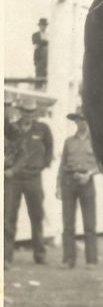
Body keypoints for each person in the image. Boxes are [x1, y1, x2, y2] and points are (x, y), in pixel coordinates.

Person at [4, 99, 53, 267]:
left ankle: (39, 254)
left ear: (35, 113)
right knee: (9, 216)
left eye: (31, 111)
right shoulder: (12, 128)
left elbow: (49, 149)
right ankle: (6, 257)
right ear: (20, 111)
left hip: (33, 178)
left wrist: (41, 165)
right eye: (25, 111)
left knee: (37, 215)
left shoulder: (43, 129)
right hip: (14, 178)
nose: (28, 114)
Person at [56, 107, 99, 268]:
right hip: (68, 181)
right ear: (75, 121)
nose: (82, 123)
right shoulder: (69, 141)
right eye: (79, 119)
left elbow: (101, 165)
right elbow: (62, 164)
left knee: (89, 223)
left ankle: (91, 260)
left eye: (85, 119)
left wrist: (89, 174)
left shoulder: (95, 142)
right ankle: (69, 259)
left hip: (86, 181)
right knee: (68, 223)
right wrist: (58, 185)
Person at [32, 18, 49, 89]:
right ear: (39, 26)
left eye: (44, 25)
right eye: (41, 25)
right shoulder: (35, 35)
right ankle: (37, 91)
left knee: (46, 77)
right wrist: (45, 43)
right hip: (39, 59)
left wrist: (43, 43)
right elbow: (36, 42)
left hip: (47, 59)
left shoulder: (49, 35)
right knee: (39, 77)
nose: (43, 27)